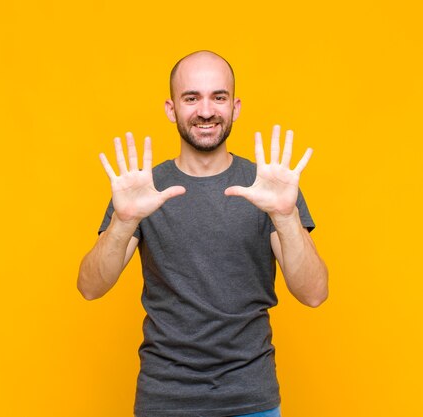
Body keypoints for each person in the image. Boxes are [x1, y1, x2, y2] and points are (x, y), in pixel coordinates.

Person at [77, 50, 328, 417]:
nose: (206, 110)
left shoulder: (270, 188)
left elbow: (314, 294)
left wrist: (285, 214)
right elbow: (90, 287)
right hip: (165, 400)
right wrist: (124, 220)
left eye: (219, 97)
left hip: (251, 400)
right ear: (171, 108)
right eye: (191, 98)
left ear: (235, 107)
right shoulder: (144, 189)